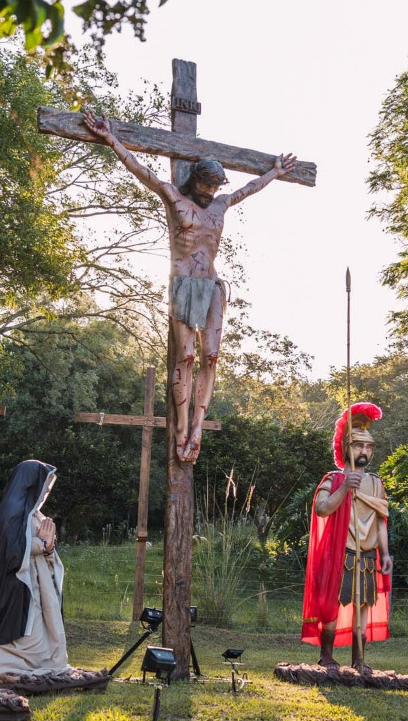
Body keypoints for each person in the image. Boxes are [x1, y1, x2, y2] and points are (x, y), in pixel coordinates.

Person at [82, 109, 296, 463]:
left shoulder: (222, 205)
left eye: (215, 186)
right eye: (205, 184)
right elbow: (142, 171)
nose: (210, 191)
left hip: (211, 286)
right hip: (182, 285)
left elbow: (249, 188)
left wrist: (274, 171)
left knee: (211, 357)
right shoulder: (175, 199)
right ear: (194, 180)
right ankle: (181, 427)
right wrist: (111, 138)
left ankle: (197, 426)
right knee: (187, 356)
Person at [301, 403, 393, 671]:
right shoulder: (333, 479)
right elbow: (321, 509)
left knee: (362, 606)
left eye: (368, 447)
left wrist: (385, 554)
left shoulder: (376, 483)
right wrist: (344, 489)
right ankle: (326, 655)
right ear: (346, 448)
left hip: (367, 555)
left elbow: (381, 522)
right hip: (340, 553)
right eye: (357, 446)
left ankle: (359, 659)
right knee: (332, 604)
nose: (363, 451)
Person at [0, 460, 71, 677]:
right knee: (23, 636)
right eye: (44, 485)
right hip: (16, 586)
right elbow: (10, 548)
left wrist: (49, 548)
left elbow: (44, 545)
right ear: (30, 484)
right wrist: (41, 544)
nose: (46, 492)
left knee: (41, 636)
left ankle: (38, 664)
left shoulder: (36, 516)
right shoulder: (10, 513)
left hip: (38, 586)